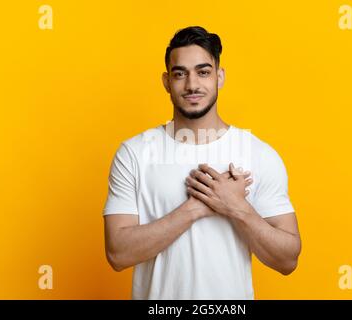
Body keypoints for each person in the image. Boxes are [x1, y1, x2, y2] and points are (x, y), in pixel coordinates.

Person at [102, 26, 301, 300]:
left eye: (203, 72)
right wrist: (196, 207)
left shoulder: (258, 154)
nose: (192, 84)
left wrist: (237, 208)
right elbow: (118, 254)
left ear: (219, 77)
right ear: (166, 82)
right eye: (180, 73)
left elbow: (287, 260)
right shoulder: (134, 153)